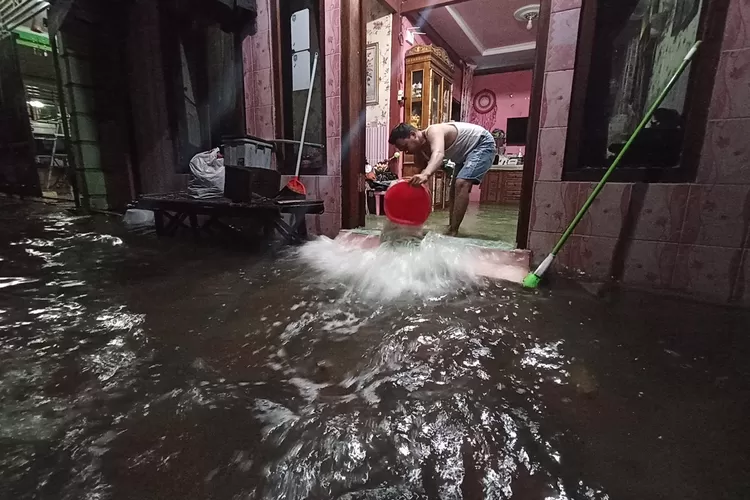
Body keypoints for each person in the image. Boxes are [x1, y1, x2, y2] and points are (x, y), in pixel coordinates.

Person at [388, 122, 496, 236]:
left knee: (461, 183)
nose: (407, 152)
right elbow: (419, 184)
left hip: (482, 143)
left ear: (413, 134)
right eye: (403, 151)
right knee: (454, 190)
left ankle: (453, 231)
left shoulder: (433, 131)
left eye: (406, 147)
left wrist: (426, 174)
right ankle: (451, 226)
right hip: (462, 156)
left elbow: (438, 154)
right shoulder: (420, 152)